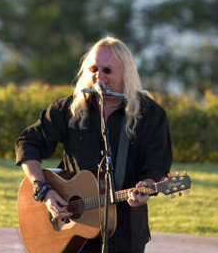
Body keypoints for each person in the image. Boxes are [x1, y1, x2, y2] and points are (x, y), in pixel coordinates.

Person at [15, 36, 172, 253]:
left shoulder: (149, 115)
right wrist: (44, 189)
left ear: (125, 73)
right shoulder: (69, 108)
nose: (99, 76)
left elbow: (157, 164)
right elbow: (28, 142)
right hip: (73, 230)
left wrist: (146, 186)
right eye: (94, 68)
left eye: (107, 70)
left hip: (125, 230)